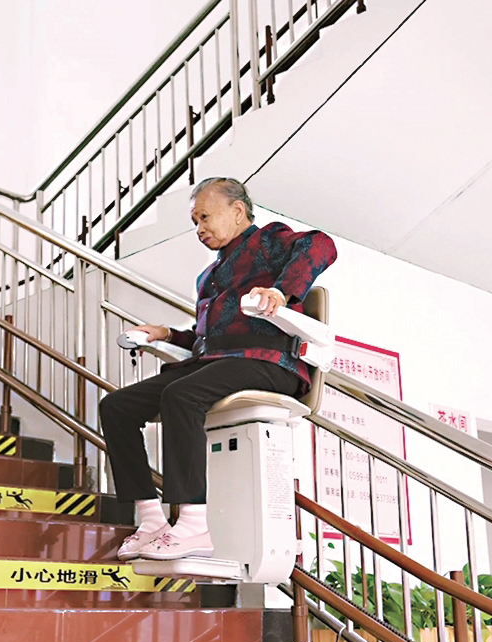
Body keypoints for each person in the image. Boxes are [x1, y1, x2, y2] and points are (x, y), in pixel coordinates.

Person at [100, 177, 337, 561]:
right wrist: (165, 334)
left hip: (267, 361)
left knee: (181, 395)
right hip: (217, 362)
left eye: (205, 217)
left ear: (237, 211)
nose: (199, 229)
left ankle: (193, 525)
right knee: (116, 407)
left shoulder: (268, 242)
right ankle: (151, 518)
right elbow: (205, 340)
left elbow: (321, 245)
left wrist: (280, 292)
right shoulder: (209, 276)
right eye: (195, 222)